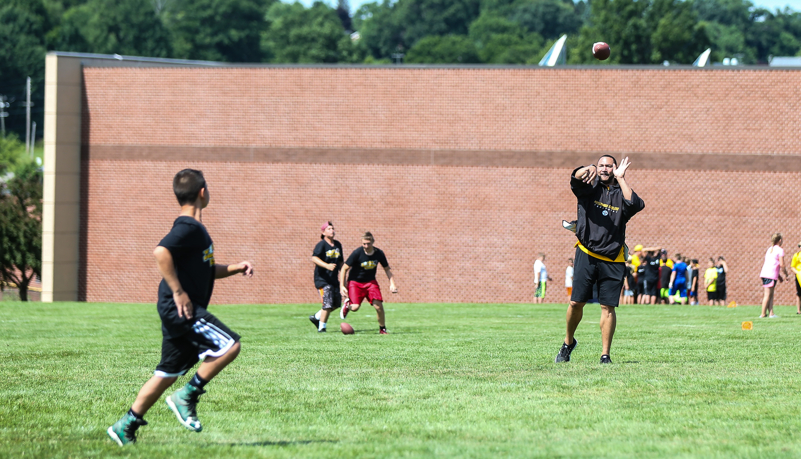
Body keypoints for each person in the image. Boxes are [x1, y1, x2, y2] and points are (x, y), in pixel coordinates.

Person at [107, 169, 254, 446]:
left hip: (176, 310)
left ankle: (125, 425)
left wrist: (235, 267)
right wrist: (178, 292)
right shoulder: (187, 227)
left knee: (167, 373)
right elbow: (161, 252)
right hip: (180, 308)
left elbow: (207, 269)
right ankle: (187, 395)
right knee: (230, 345)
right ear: (202, 192)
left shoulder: (195, 230)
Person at [555, 155, 644, 365]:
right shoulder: (589, 187)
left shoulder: (620, 194)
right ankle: (568, 343)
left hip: (614, 258)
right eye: (601, 165)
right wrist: (587, 168)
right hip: (586, 253)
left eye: (608, 166)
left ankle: (605, 355)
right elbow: (575, 179)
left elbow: (635, 204)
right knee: (576, 303)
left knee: (608, 307)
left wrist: (621, 179)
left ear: (614, 169)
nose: (604, 169)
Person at [340, 232, 397, 334]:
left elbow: (387, 269)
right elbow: (344, 268)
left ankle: (382, 329)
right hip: (355, 282)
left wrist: (392, 283)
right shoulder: (357, 253)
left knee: (378, 305)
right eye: (364, 244)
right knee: (355, 308)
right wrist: (342, 286)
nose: (366, 246)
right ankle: (347, 305)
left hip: (370, 282)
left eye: (368, 243)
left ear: (373, 242)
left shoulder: (379, 253)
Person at [308, 222, 344, 332]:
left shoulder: (338, 244)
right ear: (323, 232)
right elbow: (314, 258)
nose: (332, 230)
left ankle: (317, 317)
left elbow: (341, 261)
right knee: (327, 303)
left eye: (333, 228)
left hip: (333, 279)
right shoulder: (321, 245)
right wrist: (326, 265)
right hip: (322, 279)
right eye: (329, 229)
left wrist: (345, 271)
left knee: (336, 303)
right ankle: (322, 328)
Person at [759, 233, 787, 318]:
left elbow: (772, 264)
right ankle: (763, 314)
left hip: (766, 274)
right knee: (767, 295)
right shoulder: (780, 250)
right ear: (780, 240)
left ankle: (771, 313)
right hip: (770, 275)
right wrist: (786, 274)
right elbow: (782, 265)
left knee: (771, 294)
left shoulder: (769, 249)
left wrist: (779, 276)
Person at [790, 242, 801, 314]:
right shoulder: (796, 255)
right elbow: (792, 267)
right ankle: (798, 310)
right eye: (799, 246)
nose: (800, 247)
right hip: (799, 276)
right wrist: (797, 273)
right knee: (799, 293)